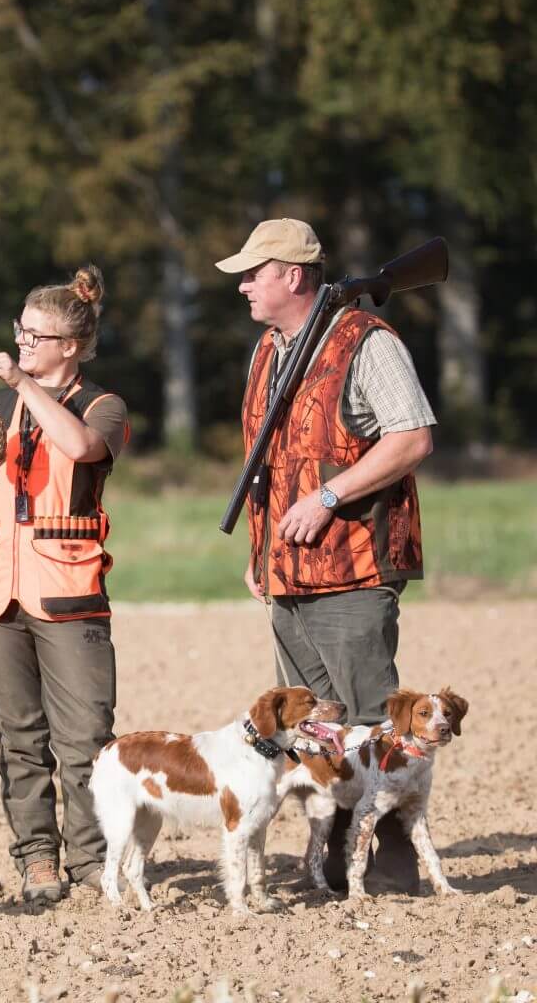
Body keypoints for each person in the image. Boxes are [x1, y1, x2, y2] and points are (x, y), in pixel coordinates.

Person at [216, 218, 436, 893]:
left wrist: (330, 496)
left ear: (293, 275)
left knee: (373, 721)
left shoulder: (367, 343)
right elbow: (269, 460)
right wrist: (261, 548)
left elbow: (411, 437)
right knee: (318, 728)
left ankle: (393, 868)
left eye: (256, 272)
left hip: (355, 565)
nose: (245, 285)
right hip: (288, 573)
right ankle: (337, 864)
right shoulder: (266, 350)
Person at [0, 265, 128, 903]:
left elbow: (80, 448)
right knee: (18, 738)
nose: (20, 344)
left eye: (35, 336)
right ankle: (37, 860)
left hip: (66, 590)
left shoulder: (102, 406)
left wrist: (22, 382)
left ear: (69, 347)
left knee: (84, 739)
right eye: (19, 333)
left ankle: (91, 860)